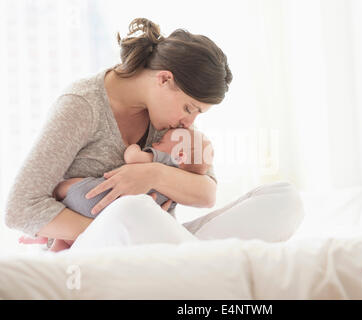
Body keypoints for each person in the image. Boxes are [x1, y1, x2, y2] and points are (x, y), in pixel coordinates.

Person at [5, 17, 304, 252]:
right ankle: (199, 266)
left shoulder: (171, 120)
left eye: (198, 113)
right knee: (133, 211)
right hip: (95, 248)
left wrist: (152, 175)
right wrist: (116, 230)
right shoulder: (83, 105)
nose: (190, 121)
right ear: (164, 79)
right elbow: (19, 209)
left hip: (162, 243)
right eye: (190, 107)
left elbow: (206, 193)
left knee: (284, 200)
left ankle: (186, 265)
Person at [47, 127, 213, 252]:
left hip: (93, 198)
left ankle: (58, 196)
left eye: (160, 142)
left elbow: (132, 157)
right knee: (66, 243)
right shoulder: (178, 191)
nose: (155, 143)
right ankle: (57, 248)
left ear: (180, 155)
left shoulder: (166, 160)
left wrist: (136, 146)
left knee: (67, 186)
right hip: (111, 219)